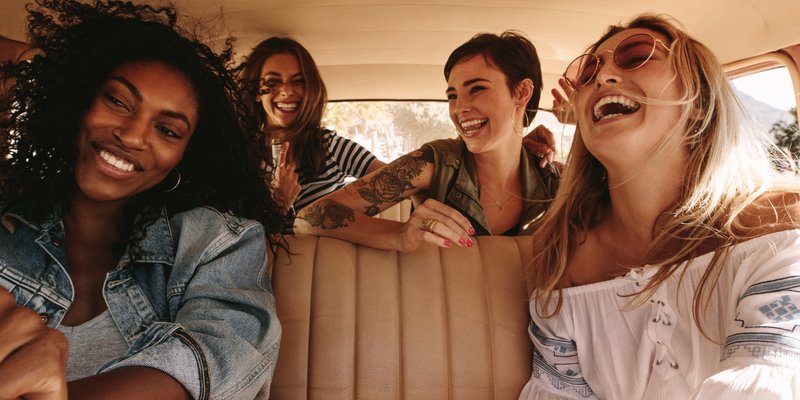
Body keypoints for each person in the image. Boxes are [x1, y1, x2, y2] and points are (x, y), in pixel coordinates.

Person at [0, 1, 284, 399]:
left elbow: (214, 362)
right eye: (117, 101)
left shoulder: (215, 242)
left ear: (185, 155)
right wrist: (38, 63)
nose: (132, 136)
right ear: (78, 102)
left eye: (168, 130)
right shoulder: (9, 222)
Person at [521, 14, 800, 399]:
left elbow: (771, 376)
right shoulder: (561, 258)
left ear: (699, 101)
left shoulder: (778, 224)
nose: (603, 77)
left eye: (637, 56)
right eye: (588, 75)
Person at [294, 31, 560, 251]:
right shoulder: (434, 163)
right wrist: (400, 235)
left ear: (522, 92)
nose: (459, 108)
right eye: (452, 96)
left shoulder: (556, 184)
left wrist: (575, 121)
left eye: (477, 88)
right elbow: (308, 218)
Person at [238, 37, 386, 215]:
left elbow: (396, 178)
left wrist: (415, 209)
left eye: (298, 81)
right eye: (273, 81)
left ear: (310, 89)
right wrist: (281, 201)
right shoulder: (240, 158)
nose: (287, 91)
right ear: (256, 92)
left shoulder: (329, 146)